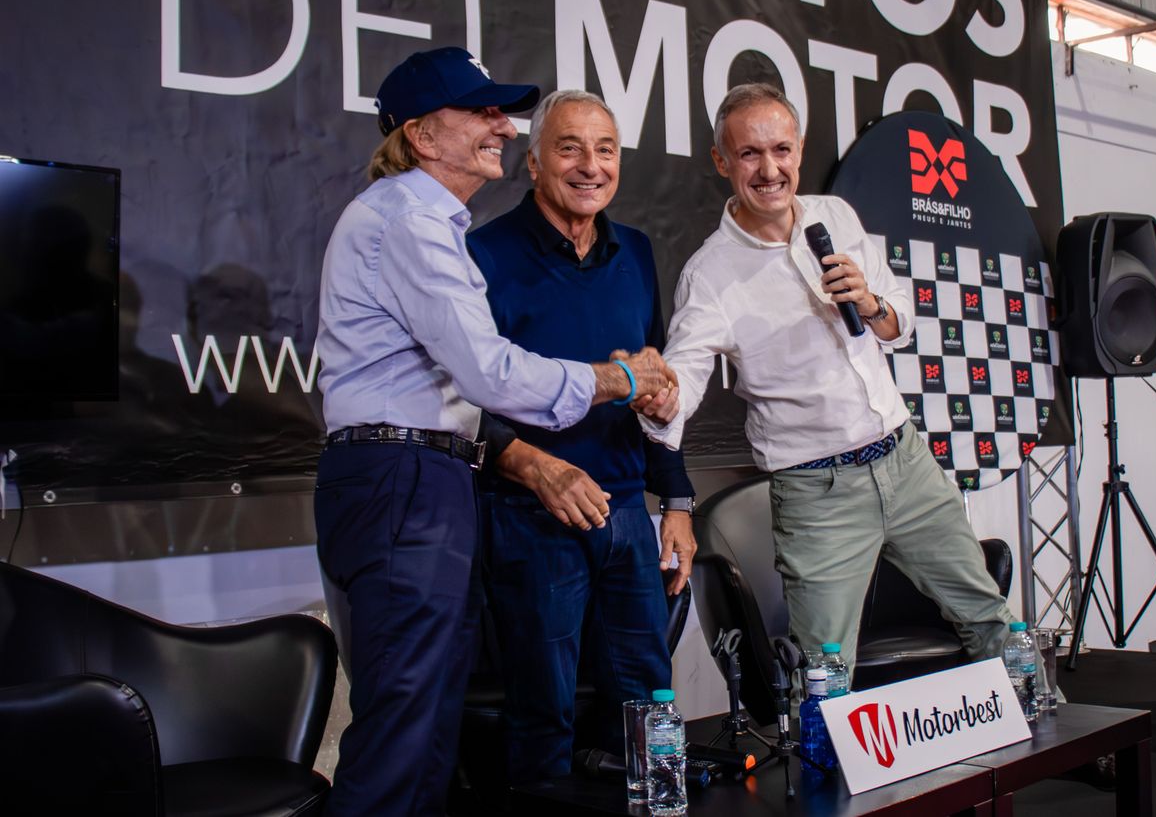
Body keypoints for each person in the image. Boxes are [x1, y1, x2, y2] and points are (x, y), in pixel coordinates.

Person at [313, 48, 676, 816]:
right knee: (406, 735)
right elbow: (491, 375)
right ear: (421, 134)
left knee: (427, 736)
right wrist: (619, 379)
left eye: (500, 113)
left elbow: (467, 385)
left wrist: (670, 480)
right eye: (480, 112)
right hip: (409, 483)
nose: (502, 127)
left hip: (433, 480)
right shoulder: (411, 219)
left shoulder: (430, 222)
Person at [643, 82, 1013, 683]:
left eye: (781, 150)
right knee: (824, 672)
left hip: (906, 461)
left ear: (799, 149)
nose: (770, 170)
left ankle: (1040, 722)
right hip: (819, 493)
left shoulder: (834, 216)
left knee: (989, 618)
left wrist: (869, 303)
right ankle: (822, 751)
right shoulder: (709, 275)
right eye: (749, 154)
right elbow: (683, 377)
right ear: (722, 161)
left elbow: (897, 318)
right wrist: (662, 397)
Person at [467, 90, 696, 784]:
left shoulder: (637, 253)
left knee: (649, 704)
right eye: (569, 148)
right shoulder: (482, 254)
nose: (590, 166)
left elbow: (651, 377)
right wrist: (535, 469)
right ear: (533, 162)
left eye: (605, 150)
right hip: (529, 518)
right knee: (544, 716)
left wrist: (677, 499)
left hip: (625, 514)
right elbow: (462, 397)